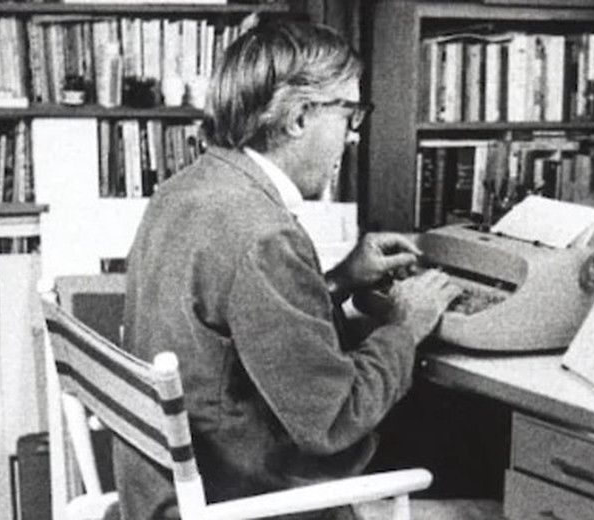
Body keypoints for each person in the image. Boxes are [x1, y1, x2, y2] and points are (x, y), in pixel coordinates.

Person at [114, 19, 462, 520]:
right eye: (349, 114)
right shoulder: (265, 235)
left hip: (166, 490)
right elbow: (333, 419)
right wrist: (404, 328)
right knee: (487, 503)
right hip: (241, 504)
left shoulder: (186, 190)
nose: (353, 137)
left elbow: (234, 320)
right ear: (299, 117)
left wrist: (339, 280)